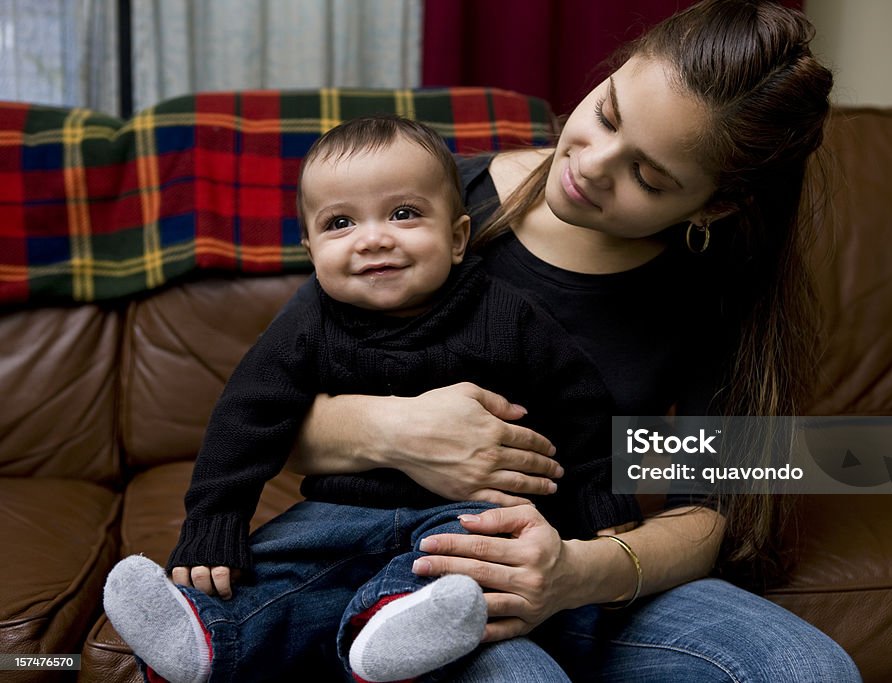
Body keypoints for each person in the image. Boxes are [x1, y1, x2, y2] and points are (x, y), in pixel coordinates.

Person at [288, 0, 864, 681]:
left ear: (713, 205)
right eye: (608, 114)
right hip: (419, 577)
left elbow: (716, 505)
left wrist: (575, 572)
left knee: (811, 669)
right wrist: (399, 428)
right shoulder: (435, 210)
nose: (592, 164)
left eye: (649, 177)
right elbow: (263, 417)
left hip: (589, 579)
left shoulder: (711, 283)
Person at [102, 115, 645, 683]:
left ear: (458, 238)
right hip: (339, 515)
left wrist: (604, 507)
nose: (374, 237)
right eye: (340, 223)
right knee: (273, 564)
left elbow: (580, 410)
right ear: (311, 251)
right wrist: (214, 521)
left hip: (460, 519)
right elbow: (247, 416)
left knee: (478, 554)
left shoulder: (509, 317)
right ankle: (208, 637)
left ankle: (393, 623)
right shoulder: (308, 322)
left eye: (404, 214)